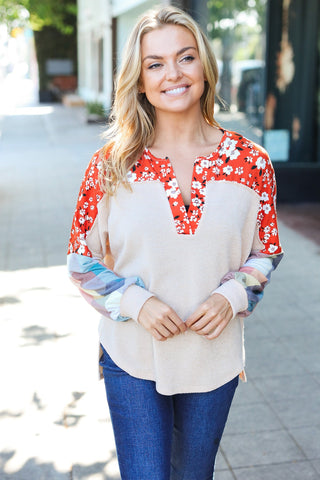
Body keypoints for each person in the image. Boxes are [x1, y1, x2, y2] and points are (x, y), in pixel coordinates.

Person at [67, 5, 283, 480]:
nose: (173, 74)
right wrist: (136, 302)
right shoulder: (110, 165)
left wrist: (232, 296)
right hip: (131, 352)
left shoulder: (252, 162)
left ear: (205, 66)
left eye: (186, 58)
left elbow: (266, 251)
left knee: (193, 474)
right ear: (139, 80)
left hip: (213, 355)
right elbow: (81, 260)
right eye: (155, 63)